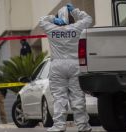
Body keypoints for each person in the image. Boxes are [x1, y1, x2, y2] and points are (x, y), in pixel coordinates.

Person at [39, 3, 92, 132]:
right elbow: (89, 19)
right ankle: (83, 126)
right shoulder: (77, 28)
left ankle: (59, 125)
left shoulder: (52, 29)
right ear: (72, 19)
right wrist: (75, 11)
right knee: (78, 97)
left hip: (57, 65)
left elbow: (41, 21)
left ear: (59, 18)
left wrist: (53, 18)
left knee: (59, 97)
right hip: (75, 65)